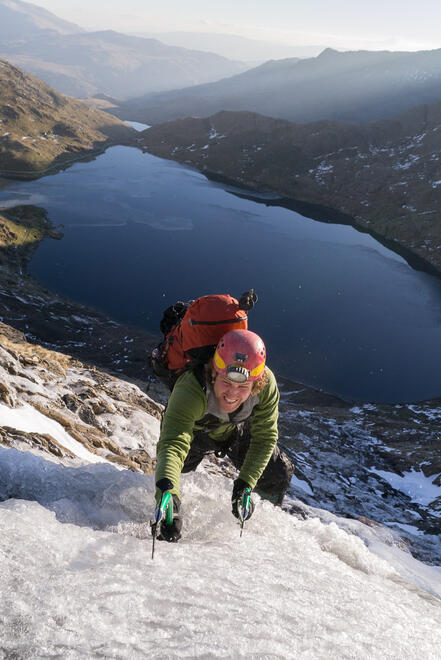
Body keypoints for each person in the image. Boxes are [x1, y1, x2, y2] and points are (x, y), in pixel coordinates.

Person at [154, 329, 295, 542]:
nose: (232, 394)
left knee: (278, 473)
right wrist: (168, 495)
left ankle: (260, 531)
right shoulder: (190, 389)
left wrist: (245, 484)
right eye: (227, 382)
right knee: (174, 472)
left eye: (243, 387)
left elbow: (265, 437)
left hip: (234, 430)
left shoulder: (266, 386)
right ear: (213, 373)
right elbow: (174, 443)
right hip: (195, 433)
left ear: (256, 384)